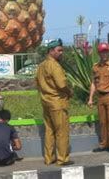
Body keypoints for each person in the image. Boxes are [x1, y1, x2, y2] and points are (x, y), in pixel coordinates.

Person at [36, 38, 74, 166]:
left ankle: (49, 158)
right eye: (59, 50)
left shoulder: (41, 66)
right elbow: (61, 84)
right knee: (61, 132)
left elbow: (37, 83)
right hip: (57, 103)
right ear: (51, 51)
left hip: (46, 102)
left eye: (62, 50)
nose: (61, 52)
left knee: (49, 132)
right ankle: (62, 159)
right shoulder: (55, 65)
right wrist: (69, 92)